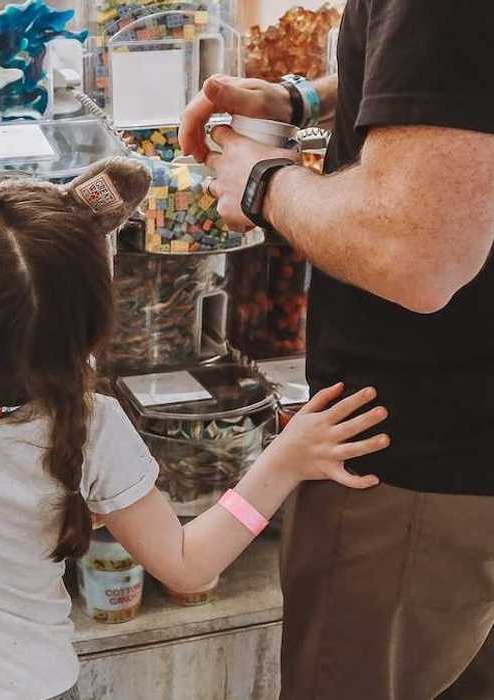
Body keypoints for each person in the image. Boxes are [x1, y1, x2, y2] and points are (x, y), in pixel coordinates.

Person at [0, 57, 389, 700]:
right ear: (94, 321)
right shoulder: (92, 427)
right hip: (31, 684)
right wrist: (283, 460)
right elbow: (187, 564)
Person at [177, 2, 494, 697]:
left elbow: (413, 253)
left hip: (412, 469)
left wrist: (262, 180)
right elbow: (457, 86)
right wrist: (307, 97)